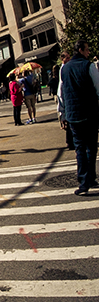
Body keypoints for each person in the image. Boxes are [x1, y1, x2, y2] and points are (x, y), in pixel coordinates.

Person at [57, 40, 99, 196]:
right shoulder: (89, 66)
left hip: (73, 115)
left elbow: (61, 93)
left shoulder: (64, 69)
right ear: (80, 50)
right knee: (91, 147)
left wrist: (62, 113)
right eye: (87, 50)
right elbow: (98, 87)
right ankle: (90, 178)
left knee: (80, 148)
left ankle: (83, 180)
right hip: (89, 113)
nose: (88, 52)